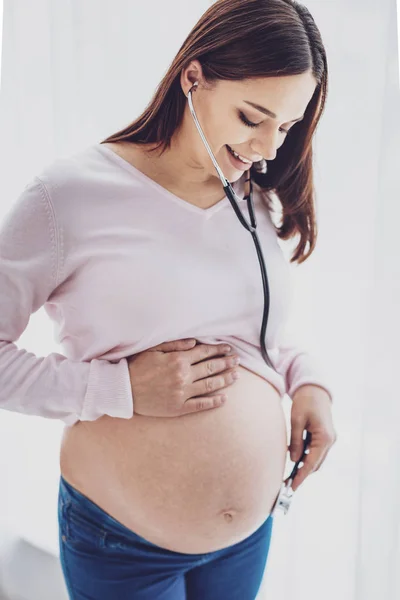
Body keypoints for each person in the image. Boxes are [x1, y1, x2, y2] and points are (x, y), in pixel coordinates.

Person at [0, 0, 337, 598]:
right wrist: (119, 389)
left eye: (285, 127)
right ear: (193, 77)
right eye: (252, 117)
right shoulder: (68, 197)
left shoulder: (255, 197)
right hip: (120, 543)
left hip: (247, 538)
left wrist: (307, 382)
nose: (267, 149)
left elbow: (256, 331)